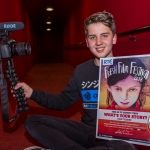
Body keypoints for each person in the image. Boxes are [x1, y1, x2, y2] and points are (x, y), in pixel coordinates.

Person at [14, 11, 137, 150]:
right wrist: (32, 93)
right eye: (92, 37)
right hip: (87, 131)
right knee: (33, 122)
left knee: (127, 148)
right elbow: (63, 101)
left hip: (114, 136)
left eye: (104, 35)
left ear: (114, 38)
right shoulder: (81, 70)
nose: (98, 42)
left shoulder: (133, 70)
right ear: (87, 42)